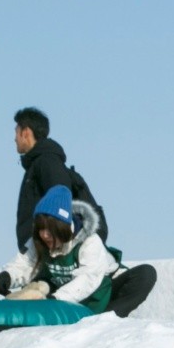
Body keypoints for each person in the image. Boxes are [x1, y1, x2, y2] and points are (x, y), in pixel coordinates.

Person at [0, 185, 159, 315]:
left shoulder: (89, 242)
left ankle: (107, 321)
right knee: (39, 287)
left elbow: (88, 278)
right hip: (62, 300)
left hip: (100, 293)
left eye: (50, 229)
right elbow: (25, 263)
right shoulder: (38, 242)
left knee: (146, 274)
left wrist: (57, 299)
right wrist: (8, 276)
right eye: (40, 228)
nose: (44, 234)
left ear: (63, 227)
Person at [13, 106, 107, 251]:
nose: (15, 138)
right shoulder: (39, 163)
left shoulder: (46, 161)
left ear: (26, 132)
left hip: (50, 252)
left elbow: (60, 202)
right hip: (41, 249)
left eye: (16, 132)